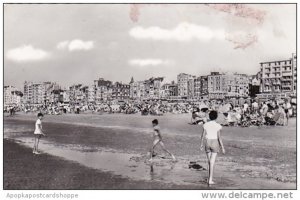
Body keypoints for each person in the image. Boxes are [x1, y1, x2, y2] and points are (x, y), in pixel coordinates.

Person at [200, 110, 225, 185]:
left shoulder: (205, 124)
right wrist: (222, 147)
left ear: (209, 117)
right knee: (212, 162)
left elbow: (203, 135)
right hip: (214, 142)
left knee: (209, 162)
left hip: (207, 142)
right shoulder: (218, 125)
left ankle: (208, 178)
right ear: (216, 117)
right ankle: (210, 180)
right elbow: (219, 138)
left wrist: (201, 144)